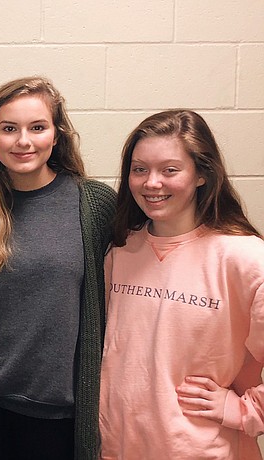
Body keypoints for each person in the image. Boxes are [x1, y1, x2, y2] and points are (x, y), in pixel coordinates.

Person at [0, 76, 117, 460]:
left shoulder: (94, 204)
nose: (24, 141)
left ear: (57, 134)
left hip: (62, 414)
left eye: (37, 127)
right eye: (9, 129)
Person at [99, 110, 264, 459]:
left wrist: (246, 410)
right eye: (139, 169)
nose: (151, 183)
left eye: (170, 170)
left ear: (202, 174)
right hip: (118, 447)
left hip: (203, 450)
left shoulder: (245, 258)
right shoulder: (120, 252)